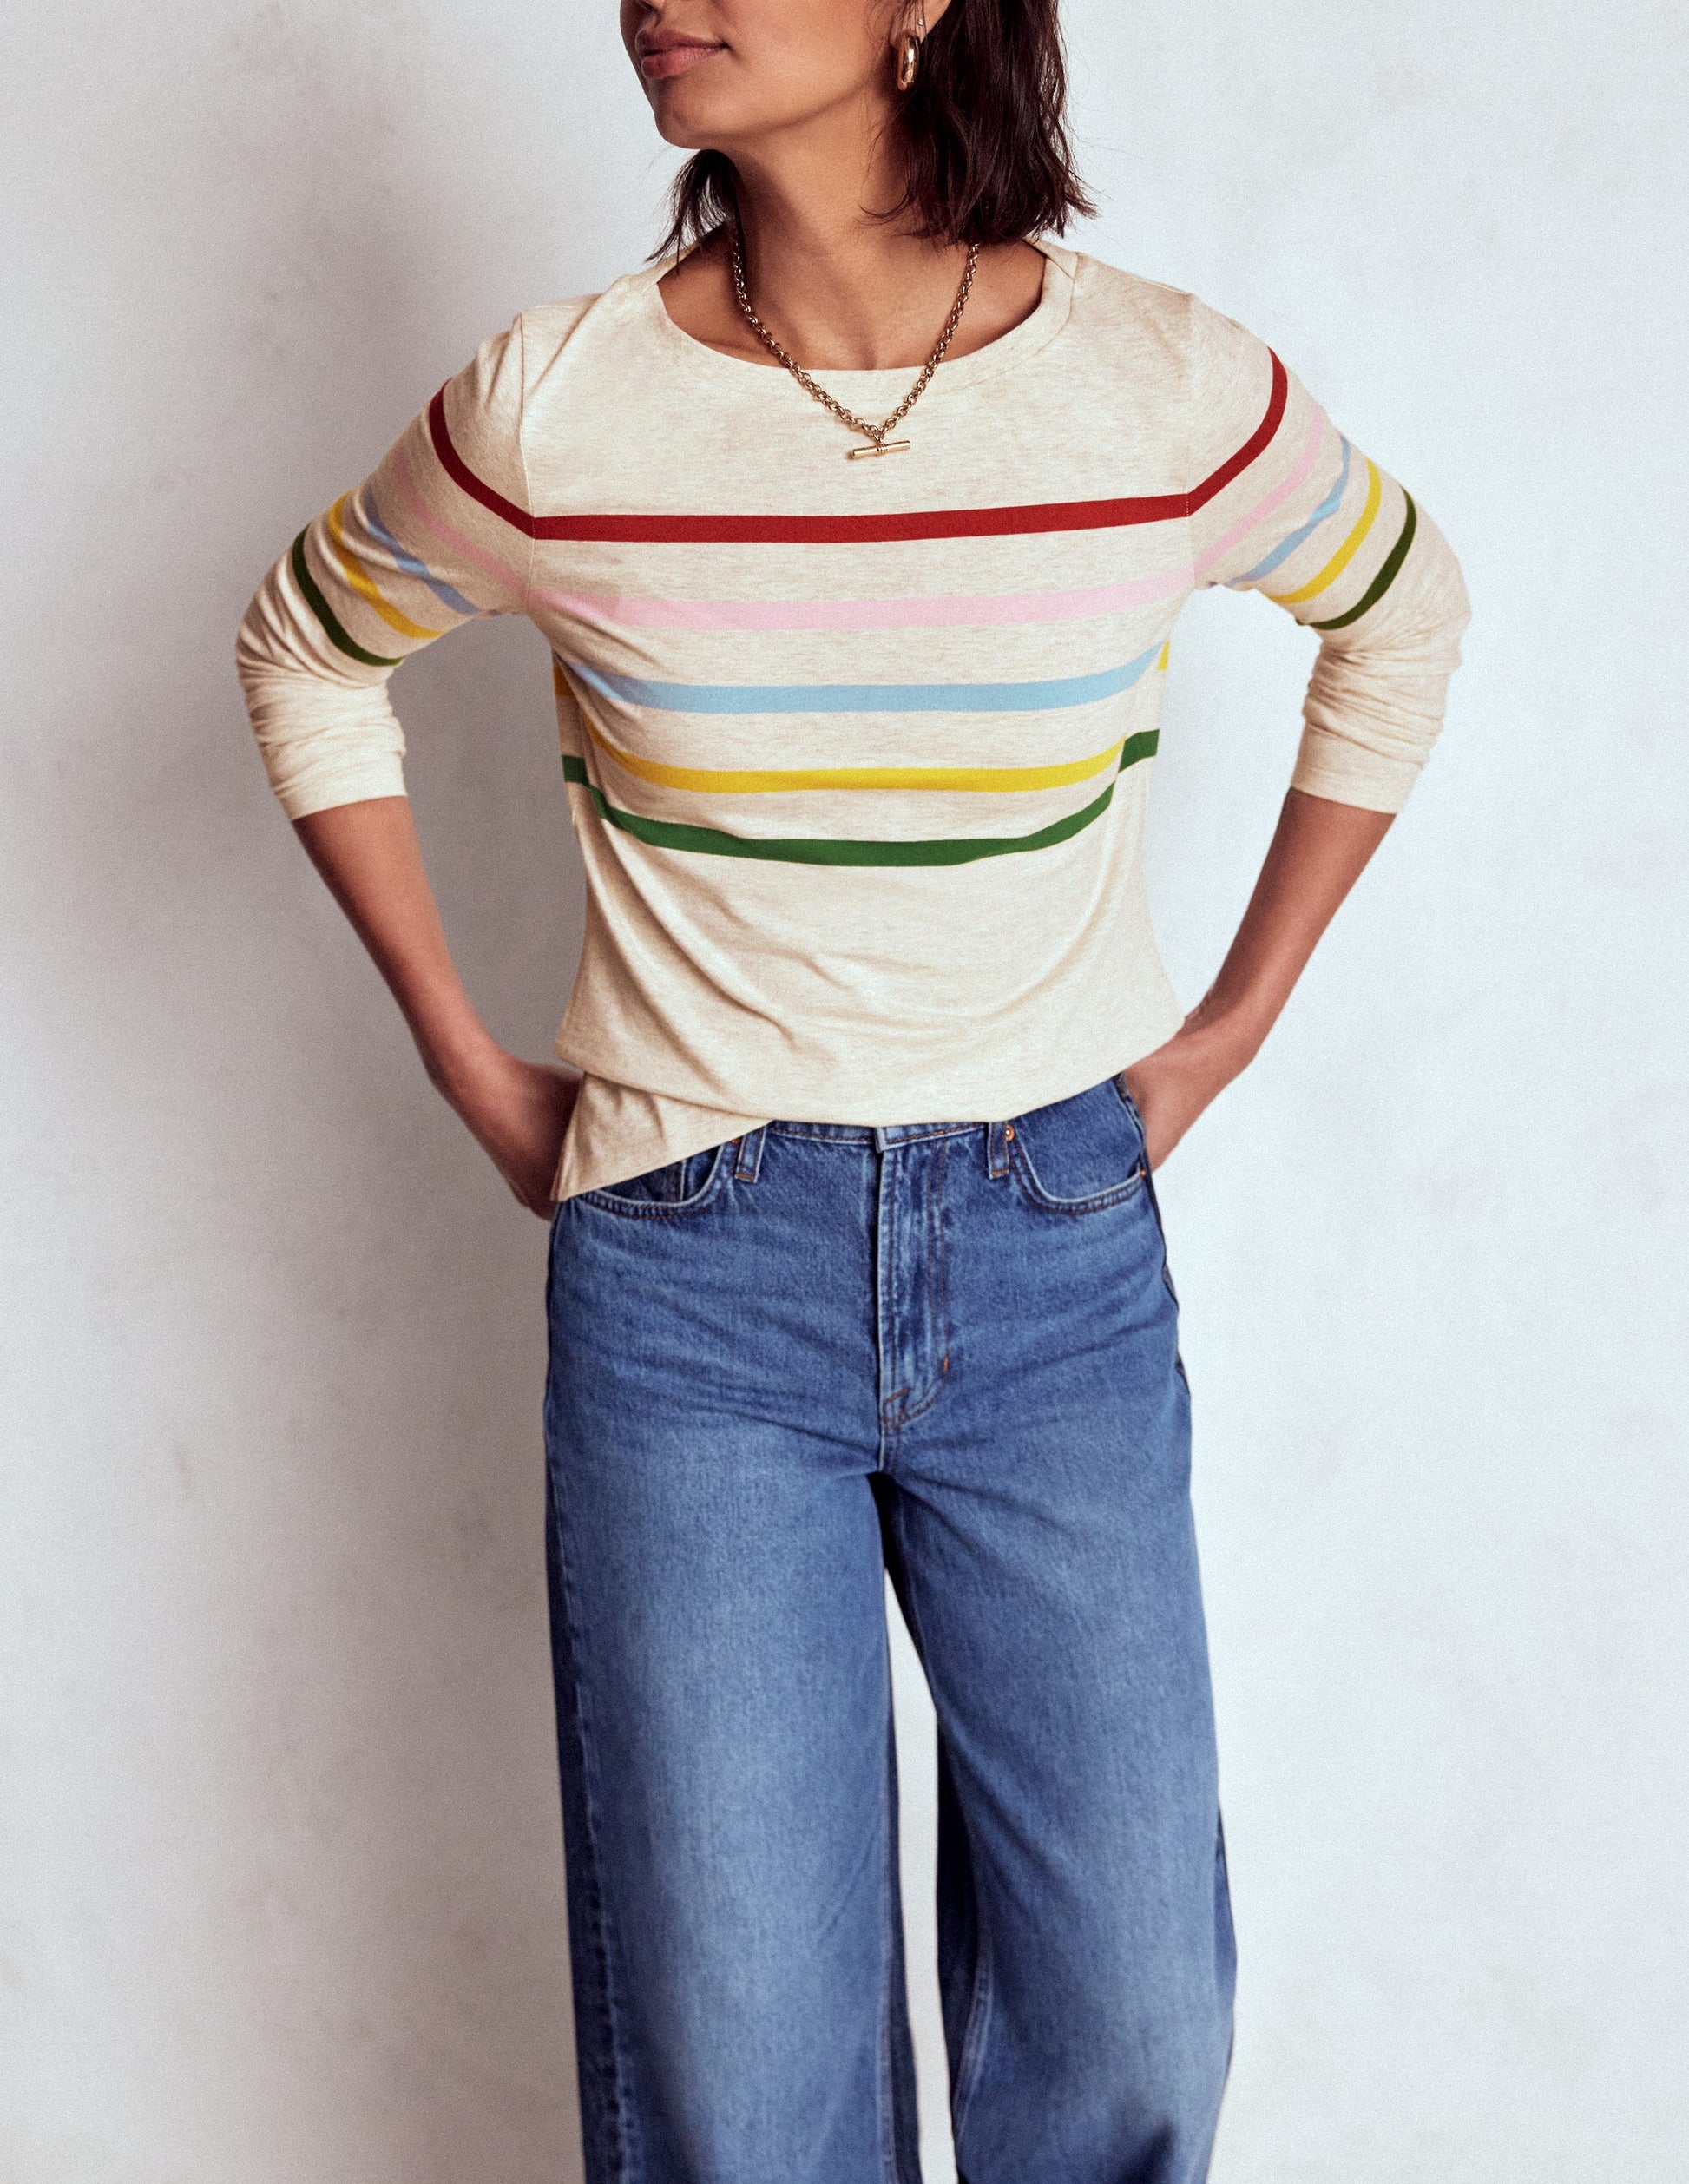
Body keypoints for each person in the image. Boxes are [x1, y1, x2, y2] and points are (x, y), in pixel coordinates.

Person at [235, 3, 1469, 2177]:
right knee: (744, 2065)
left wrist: (1234, 1018)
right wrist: (465, 1056)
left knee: (1136, 2021)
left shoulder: (1160, 385)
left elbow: (1403, 610)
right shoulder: (558, 407)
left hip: (1052, 1249)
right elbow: (305, 647)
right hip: (689, 1278)